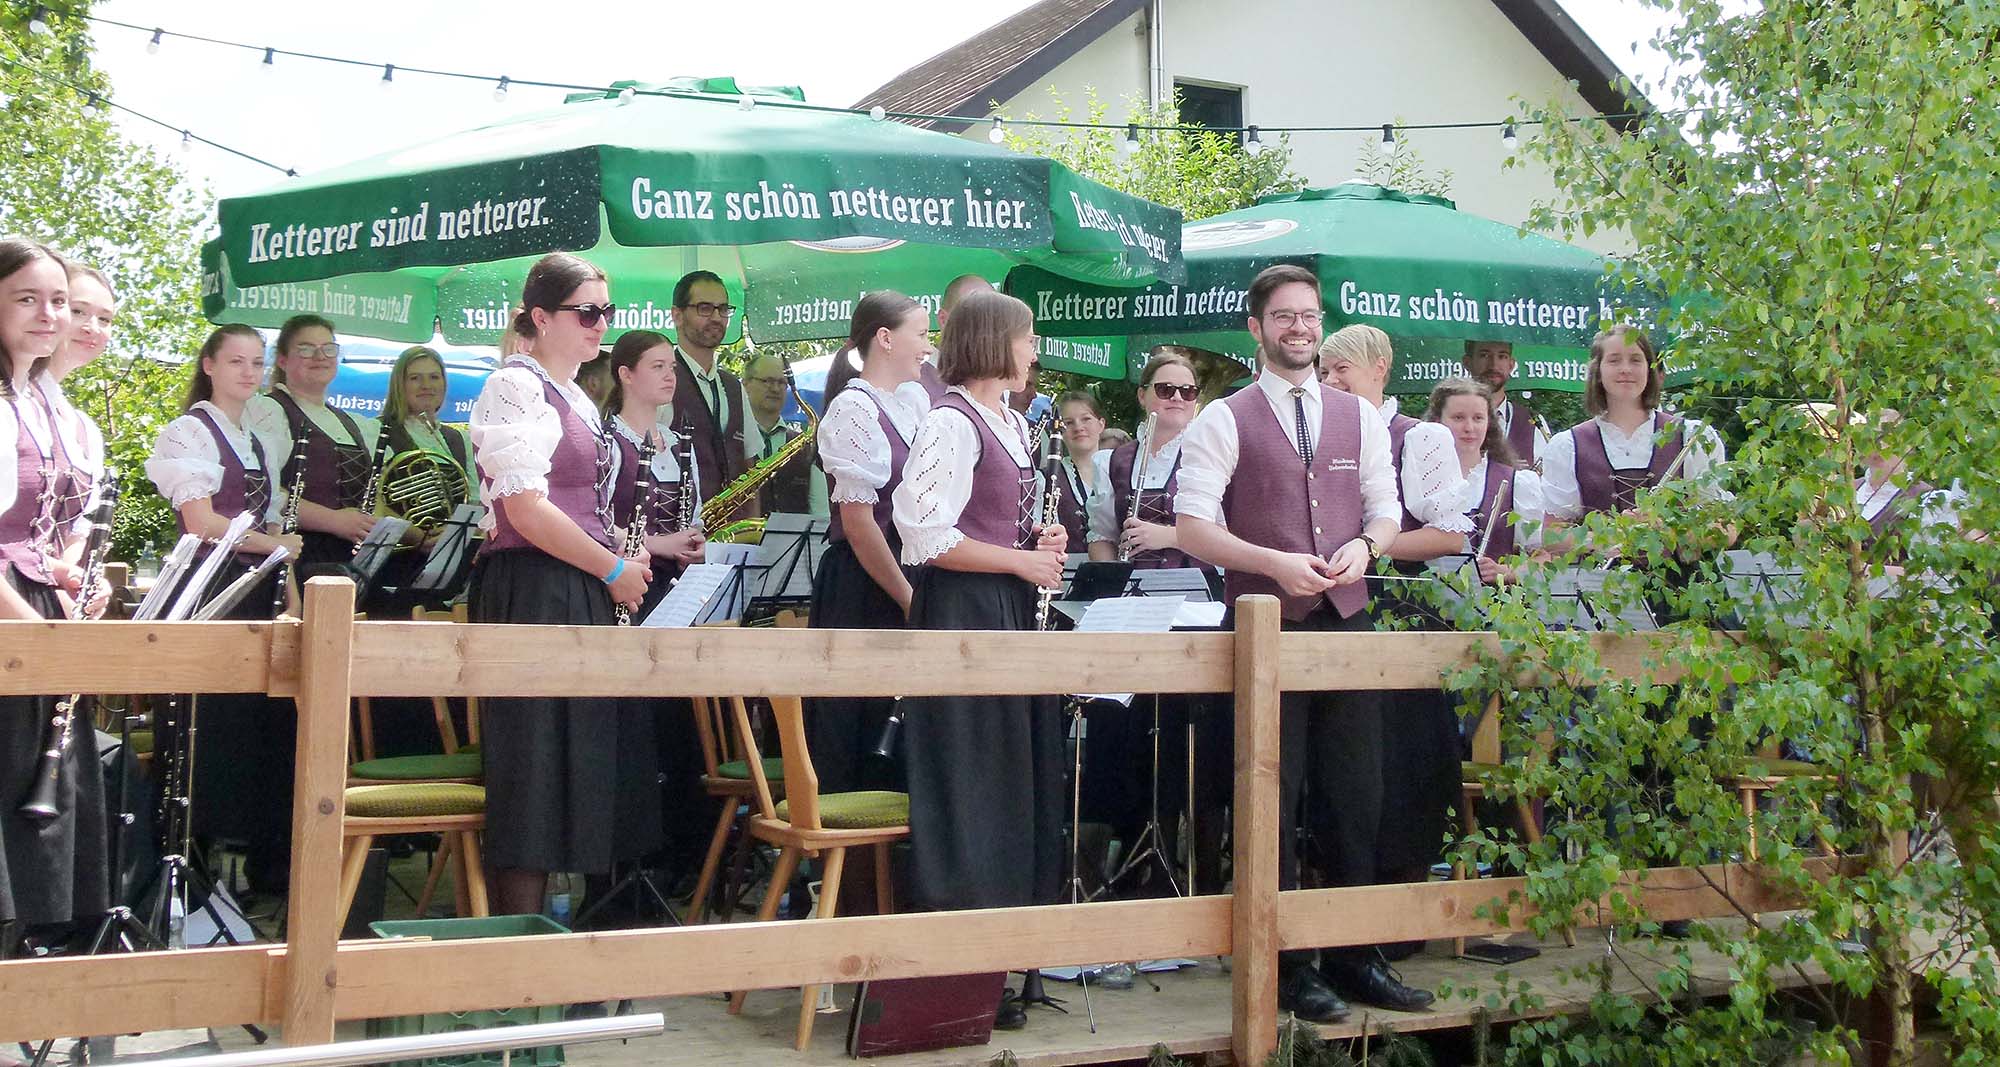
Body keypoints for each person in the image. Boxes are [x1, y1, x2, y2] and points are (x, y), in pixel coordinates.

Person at [1174, 264, 1432, 1018]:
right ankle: (1284, 964)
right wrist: (1271, 563)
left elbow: (1386, 511)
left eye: (1310, 316)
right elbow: (1193, 527)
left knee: (1358, 795)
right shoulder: (1224, 417)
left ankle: (1356, 956)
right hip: (1262, 637)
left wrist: (1368, 550)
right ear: (1256, 329)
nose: (1300, 328)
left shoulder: (1361, 420)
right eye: (1284, 316)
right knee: (1271, 800)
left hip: (1347, 626)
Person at [892, 288, 1067, 1029]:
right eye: (1028, 339)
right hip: (962, 618)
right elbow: (923, 534)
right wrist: (1019, 565)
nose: (1034, 353)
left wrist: (1033, 551)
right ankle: (960, 971)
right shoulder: (950, 421)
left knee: (1010, 781)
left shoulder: (1010, 422)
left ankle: (1001, 961)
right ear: (997, 341)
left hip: (999, 611)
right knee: (970, 782)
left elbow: (991, 527)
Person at [467, 253, 661, 917]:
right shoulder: (514, 387)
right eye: (587, 311)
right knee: (534, 766)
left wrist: (618, 564)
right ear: (541, 316)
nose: (600, 323)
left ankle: (573, 939)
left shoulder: (574, 392)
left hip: (574, 582)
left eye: (607, 311)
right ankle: (517, 957)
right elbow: (523, 508)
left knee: (582, 758)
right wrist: (612, 568)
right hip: (532, 585)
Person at [146, 324, 303, 895]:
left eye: (256, 363)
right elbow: (202, 522)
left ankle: (262, 872)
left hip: (258, 591)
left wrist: (290, 587)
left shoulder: (258, 440)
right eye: (235, 361)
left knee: (263, 726)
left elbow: (272, 523)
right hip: (210, 592)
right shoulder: (191, 431)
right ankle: (188, 872)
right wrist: (274, 544)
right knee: (207, 730)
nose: (248, 372)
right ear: (209, 365)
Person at [1082, 350, 1229, 895]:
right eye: (1165, 389)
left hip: (1193, 607)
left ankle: (1180, 864)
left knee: (1181, 736)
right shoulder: (1114, 461)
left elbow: (1226, 533)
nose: (1176, 400)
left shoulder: (1209, 453)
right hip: (1130, 608)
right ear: (1143, 395)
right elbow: (1099, 528)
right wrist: (1109, 570)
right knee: (1123, 734)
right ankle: (1126, 859)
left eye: (1188, 392)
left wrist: (1168, 537)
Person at [0, 237, 110, 940]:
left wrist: (65, 578)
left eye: (59, 302)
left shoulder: (39, 402)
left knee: (42, 799)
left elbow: (40, 532)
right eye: (28, 300)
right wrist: (30, 629)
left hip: (32, 605)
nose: (51, 315)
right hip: (8, 613)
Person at [805, 292, 932, 796]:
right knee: (859, 730)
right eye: (921, 334)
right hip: (863, 586)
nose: (927, 346)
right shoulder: (853, 408)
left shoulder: (913, 402)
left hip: (903, 575)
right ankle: (852, 870)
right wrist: (908, 597)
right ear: (885, 338)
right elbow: (859, 525)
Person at [1539, 326, 1728, 549]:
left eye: (1636, 360)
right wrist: (1610, 539)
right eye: (1614, 360)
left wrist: (1667, 533)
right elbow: (1551, 537)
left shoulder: (1693, 437)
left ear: (1650, 370)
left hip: (1683, 583)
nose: (1625, 369)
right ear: (1598, 372)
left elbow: (1725, 528)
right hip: (1599, 582)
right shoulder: (1568, 446)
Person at [244, 314, 383, 579]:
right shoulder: (270, 410)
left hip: (349, 560)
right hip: (297, 557)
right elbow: (261, 490)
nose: (320, 356)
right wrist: (334, 521)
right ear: (282, 360)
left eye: (328, 348)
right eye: (306, 349)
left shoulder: (349, 421)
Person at [603, 330, 705, 620]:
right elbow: (593, 525)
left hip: (676, 593)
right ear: (626, 374)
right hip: (627, 593)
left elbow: (695, 520)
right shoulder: (609, 441)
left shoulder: (678, 443)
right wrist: (660, 544)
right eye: (657, 366)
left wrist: (696, 544)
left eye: (671, 367)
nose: (670, 376)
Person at [668, 271, 763, 515]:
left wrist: (750, 533)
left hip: (731, 538)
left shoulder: (733, 386)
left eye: (723, 309)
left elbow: (750, 467)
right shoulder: (662, 379)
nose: (716, 317)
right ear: (677, 315)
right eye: (704, 308)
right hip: (678, 536)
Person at [742, 351, 828, 517]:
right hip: (740, 541)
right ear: (745, 384)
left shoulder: (806, 445)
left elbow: (821, 513)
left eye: (782, 382)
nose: (775, 388)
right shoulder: (733, 441)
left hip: (795, 543)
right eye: (767, 381)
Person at [1462, 340, 1550, 465]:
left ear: (1511, 365)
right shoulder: (1449, 420)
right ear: (1467, 362)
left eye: (1502, 356)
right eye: (1484, 355)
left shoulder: (1533, 423)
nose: (1493, 365)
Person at [1048, 391, 1102, 551]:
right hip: (1065, 572)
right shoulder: (1046, 479)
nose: (1078, 427)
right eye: (1069, 423)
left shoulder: (1121, 472)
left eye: (1086, 419)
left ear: (1101, 424)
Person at [926, 274, 993, 402]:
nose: (985, 327)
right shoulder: (916, 380)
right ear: (943, 320)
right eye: (972, 316)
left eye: (992, 318)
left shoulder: (996, 382)